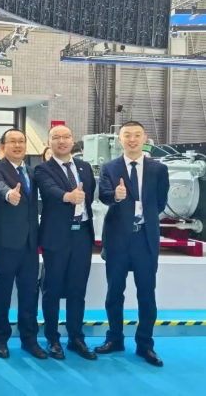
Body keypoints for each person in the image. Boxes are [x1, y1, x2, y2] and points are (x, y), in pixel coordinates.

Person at [95, 121, 169, 367]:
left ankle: (145, 345)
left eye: (137, 135)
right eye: (127, 135)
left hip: (145, 239)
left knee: (147, 294)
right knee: (114, 292)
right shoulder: (110, 167)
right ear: (120, 139)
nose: (132, 139)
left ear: (145, 138)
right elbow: (103, 195)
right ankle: (114, 338)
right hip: (117, 239)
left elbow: (160, 203)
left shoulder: (159, 169)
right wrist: (115, 196)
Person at [35, 125, 97, 360]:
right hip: (56, 236)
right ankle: (52, 339)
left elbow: (90, 196)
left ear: (73, 141)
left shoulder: (85, 167)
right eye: (56, 137)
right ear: (49, 142)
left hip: (82, 235)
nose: (61, 141)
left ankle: (76, 337)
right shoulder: (43, 169)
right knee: (52, 290)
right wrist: (68, 196)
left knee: (77, 290)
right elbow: (49, 190)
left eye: (66, 137)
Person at [0, 128, 46, 360]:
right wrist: (8, 194)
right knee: (2, 292)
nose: (18, 145)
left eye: (21, 141)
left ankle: (29, 339)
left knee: (30, 293)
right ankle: (0, 338)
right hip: (6, 243)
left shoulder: (31, 171)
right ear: (3, 146)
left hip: (31, 243)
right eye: (13, 141)